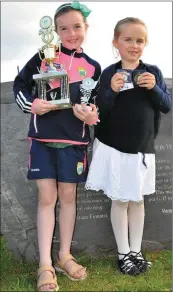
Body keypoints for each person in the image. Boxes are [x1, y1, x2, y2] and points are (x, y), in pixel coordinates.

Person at [13, 2, 101, 291]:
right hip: (42, 141)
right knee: (47, 200)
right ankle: (45, 265)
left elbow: (94, 105)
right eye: (63, 28)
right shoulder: (43, 55)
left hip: (74, 142)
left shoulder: (93, 67)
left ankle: (64, 256)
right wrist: (32, 104)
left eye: (76, 26)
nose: (70, 33)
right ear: (54, 31)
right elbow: (20, 85)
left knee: (69, 198)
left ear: (85, 28)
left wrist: (91, 115)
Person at [85, 17, 171, 276]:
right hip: (116, 148)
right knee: (121, 200)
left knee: (138, 201)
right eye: (128, 40)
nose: (134, 45)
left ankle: (136, 251)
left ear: (145, 44)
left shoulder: (152, 72)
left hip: (143, 148)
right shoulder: (109, 73)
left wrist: (155, 89)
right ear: (116, 42)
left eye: (140, 41)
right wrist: (110, 90)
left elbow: (166, 105)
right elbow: (101, 109)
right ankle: (123, 253)